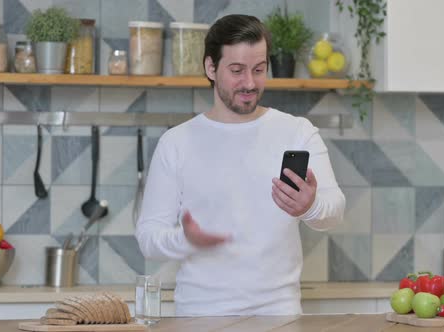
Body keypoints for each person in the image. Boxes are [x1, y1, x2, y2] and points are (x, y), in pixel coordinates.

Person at [135, 14, 345, 316]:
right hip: (200, 318)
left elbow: (335, 210)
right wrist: (186, 239)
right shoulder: (176, 142)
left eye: (259, 70)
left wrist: (309, 206)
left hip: (280, 318)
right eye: (237, 70)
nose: (250, 82)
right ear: (211, 67)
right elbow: (148, 238)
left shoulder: (297, 132)